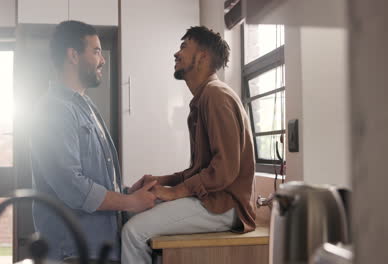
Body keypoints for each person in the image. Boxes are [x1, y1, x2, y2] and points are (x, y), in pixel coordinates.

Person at [122, 26, 257, 264]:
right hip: (214, 201)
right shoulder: (204, 98)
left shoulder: (216, 96)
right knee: (130, 211)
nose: (176, 53)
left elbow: (224, 170)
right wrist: (162, 181)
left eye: (184, 47)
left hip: (226, 206)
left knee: (133, 232)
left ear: (203, 56)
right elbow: (201, 170)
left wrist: (175, 192)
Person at [30, 20, 157, 263]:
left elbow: (96, 180)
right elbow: (72, 186)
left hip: (97, 249)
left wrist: (127, 191)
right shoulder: (54, 110)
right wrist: (130, 202)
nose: (103, 59)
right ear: (73, 56)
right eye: (96, 51)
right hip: (74, 253)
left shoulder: (86, 106)